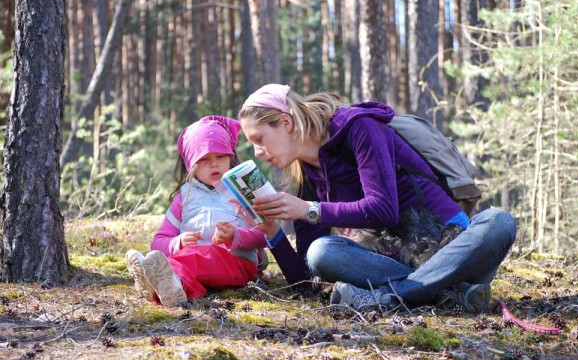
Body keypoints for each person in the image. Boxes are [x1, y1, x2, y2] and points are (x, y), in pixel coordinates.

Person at [237, 83, 517, 314]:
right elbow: (305, 282)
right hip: (390, 261)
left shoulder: (360, 129)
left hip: (449, 246)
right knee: (321, 252)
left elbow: (383, 210)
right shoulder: (307, 177)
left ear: (285, 122)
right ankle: (447, 292)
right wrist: (272, 232)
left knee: (499, 221)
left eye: (259, 138)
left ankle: (389, 297)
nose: (258, 151)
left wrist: (311, 210)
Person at [126, 115, 269, 307]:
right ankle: (168, 290)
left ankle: (157, 276)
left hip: (237, 264)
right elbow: (158, 242)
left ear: (231, 156)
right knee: (190, 265)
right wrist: (178, 242)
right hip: (196, 266)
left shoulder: (243, 191)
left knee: (195, 258)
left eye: (220, 156)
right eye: (204, 159)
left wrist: (236, 236)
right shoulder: (184, 198)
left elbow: (266, 235)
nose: (214, 163)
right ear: (191, 165)